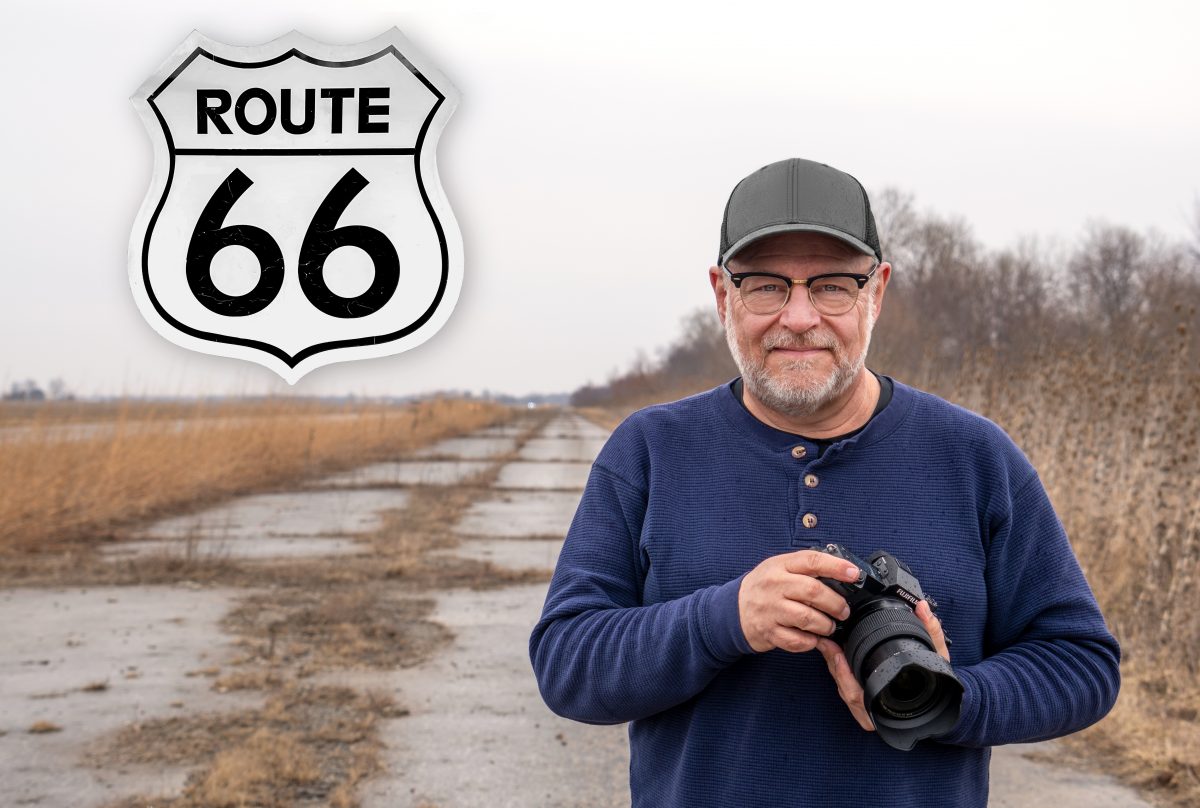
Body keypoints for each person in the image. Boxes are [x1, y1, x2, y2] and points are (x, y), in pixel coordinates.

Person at [529, 158, 1120, 807]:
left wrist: (951, 700)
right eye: (766, 286)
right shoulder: (649, 452)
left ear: (877, 292)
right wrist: (725, 619)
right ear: (722, 295)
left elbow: (1082, 664)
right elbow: (567, 664)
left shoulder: (973, 456)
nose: (801, 317)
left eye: (833, 286)